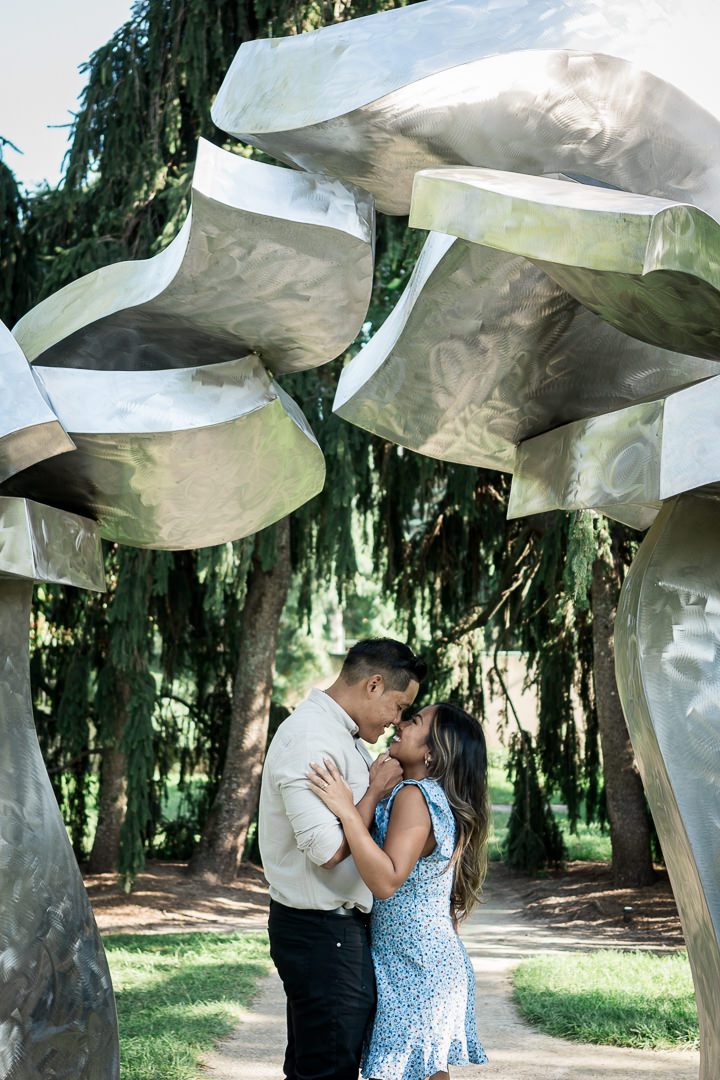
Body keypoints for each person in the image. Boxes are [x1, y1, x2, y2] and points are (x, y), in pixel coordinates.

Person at [258, 637, 428, 1080]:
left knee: (314, 1065)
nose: (397, 720)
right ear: (374, 685)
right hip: (321, 931)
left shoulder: (340, 735)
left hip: (329, 931)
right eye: (398, 705)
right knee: (329, 1069)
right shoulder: (311, 738)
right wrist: (373, 793)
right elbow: (328, 850)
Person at [308, 701, 490, 1080]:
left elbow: (386, 881)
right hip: (422, 962)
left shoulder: (415, 796)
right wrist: (374, 792)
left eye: (415, 721)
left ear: (431, 752)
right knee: (425, 1072)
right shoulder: (426, 794)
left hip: (417, 968)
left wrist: (346, 808)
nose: (402, 723)